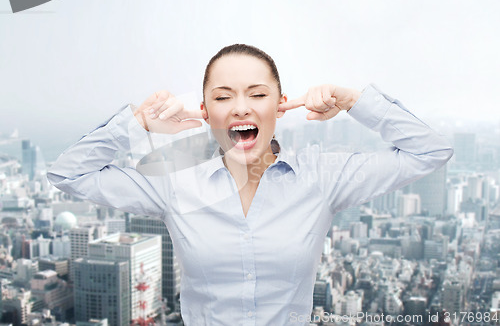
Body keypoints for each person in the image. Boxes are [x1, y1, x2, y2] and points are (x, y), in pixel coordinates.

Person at [47, 44, 453, 325]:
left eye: (257, 94)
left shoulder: (323, 178)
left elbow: (430, 151)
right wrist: (138, 125)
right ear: (205, 113)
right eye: (223, 98)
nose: (241, 106)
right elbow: (68, 174)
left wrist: (354, 101)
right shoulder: (175, 185)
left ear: (280, 105)